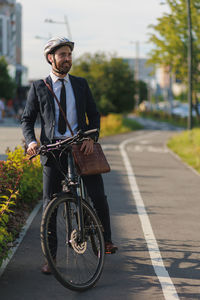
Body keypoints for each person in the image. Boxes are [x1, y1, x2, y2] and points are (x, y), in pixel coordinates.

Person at [21, 36, 118, 274]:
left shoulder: (81, 84)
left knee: (98, 195)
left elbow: (94, 115)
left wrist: (90, 138)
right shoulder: (38, 87)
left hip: (81, 148)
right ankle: (51, 258)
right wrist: (32, 142)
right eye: (62, 54)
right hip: (53, 150)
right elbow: (27, 119)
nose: (67, 59)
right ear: (50, 58)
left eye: (69, 54)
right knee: (50, 203)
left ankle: (105, 239)